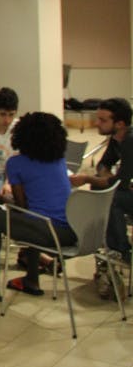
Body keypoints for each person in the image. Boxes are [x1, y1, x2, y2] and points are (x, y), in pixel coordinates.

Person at [0, 112, 75, 302]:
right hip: (72, 230)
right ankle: (31, 279)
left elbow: (22, 207)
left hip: (49, 233)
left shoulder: (16, 163)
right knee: (36, 217)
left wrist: (3, 200)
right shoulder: (59, 160)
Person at [70, 98, 133, 281]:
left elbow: (120, 182)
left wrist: (88, 178)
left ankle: (121, 251)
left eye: (103, 120)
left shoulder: (129, 141)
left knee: (111, 198)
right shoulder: (116, 138)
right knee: (100, 189)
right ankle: (108, 244)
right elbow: (104, 164)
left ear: (119, 124)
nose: (97, 123)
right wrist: (104, 177)